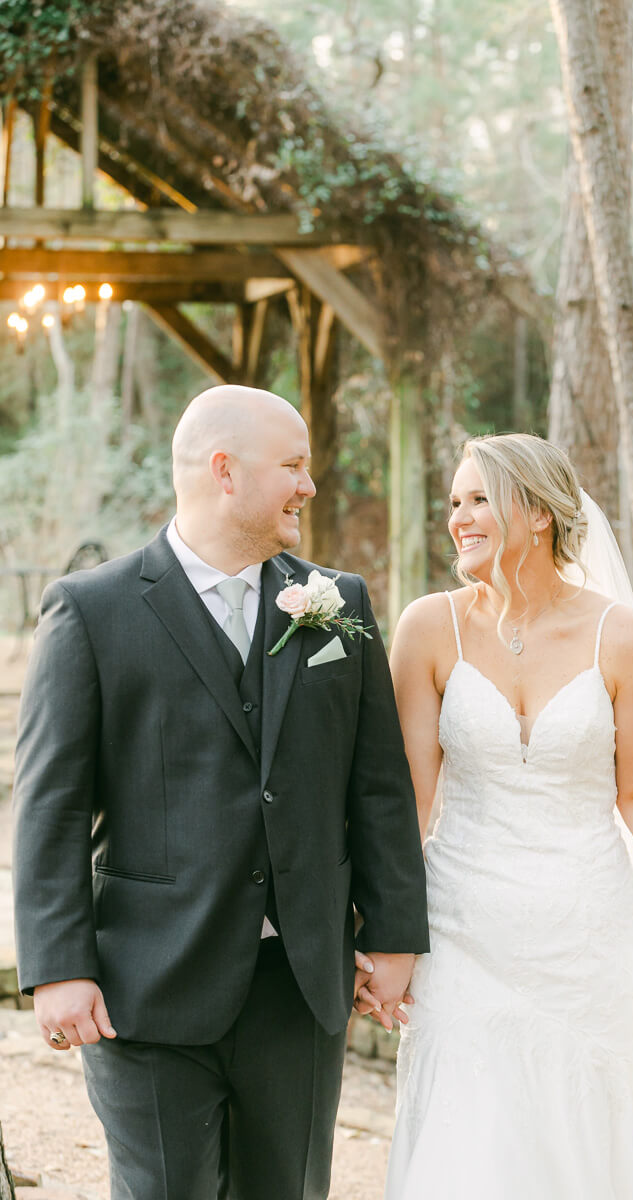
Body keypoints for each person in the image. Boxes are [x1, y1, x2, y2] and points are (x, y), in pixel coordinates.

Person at [12, 385, 429, 1200]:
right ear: (225, 471)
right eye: (294, 466)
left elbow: (377, 785)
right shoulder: (91, 611)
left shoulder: (338, 604)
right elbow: (52, 804)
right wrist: (57, 965)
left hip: (300, 983)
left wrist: (393, 935)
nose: (310, 485)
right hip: (147, 982)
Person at [380, 432, 633, 1198]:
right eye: (454, 503)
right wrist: (387, 932)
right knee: (464, 1138)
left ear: (536, 513)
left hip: (583, 937)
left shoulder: (623, 638)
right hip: (461, 926)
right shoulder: (427, 628)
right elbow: (411, 798)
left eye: (479, 500)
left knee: (576, 1137)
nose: (459, 518)